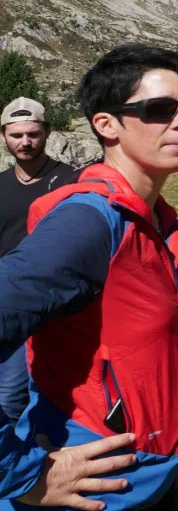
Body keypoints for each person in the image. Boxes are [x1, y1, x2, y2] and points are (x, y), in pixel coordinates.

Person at [0, 43, 178, 510]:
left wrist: (165, 460)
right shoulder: (90, 222)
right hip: (95, 489)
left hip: (145, 475)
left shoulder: (156, 221)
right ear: (105, 125)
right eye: (159, 109)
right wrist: (20, 474)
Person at [0, 97, 77, 425]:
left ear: (47, 132)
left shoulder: (70, 181)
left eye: (32, 133)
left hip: (53, 302)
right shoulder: (0, 185)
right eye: (16, 135)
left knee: (15, 391)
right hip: (8, 300)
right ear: (4, 135)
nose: (25, 142)